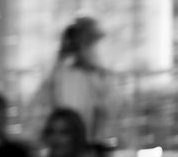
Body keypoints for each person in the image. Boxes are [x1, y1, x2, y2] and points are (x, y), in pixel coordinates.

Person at [28, 17, 116, 146]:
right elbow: (42, 108)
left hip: (89, 144)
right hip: (67, 145)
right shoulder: (60, 75)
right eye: (84, 41)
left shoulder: (98, 77)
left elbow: (107, 110)